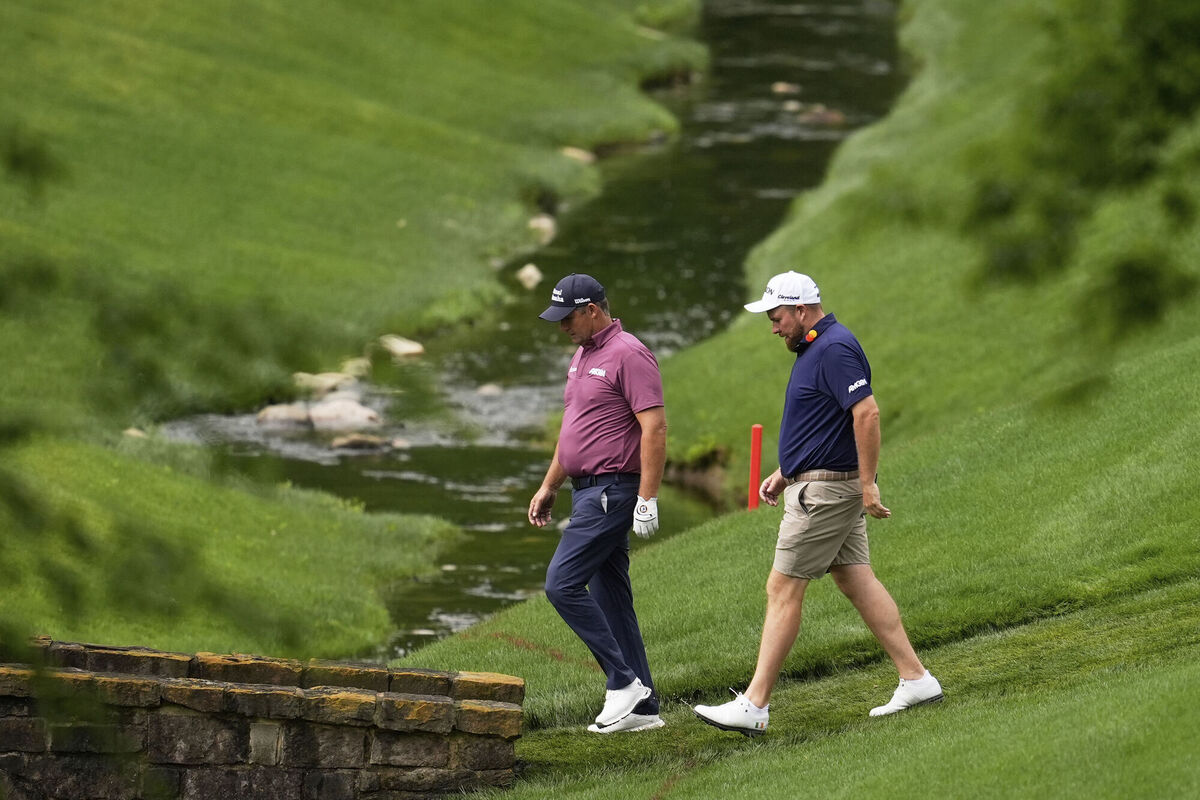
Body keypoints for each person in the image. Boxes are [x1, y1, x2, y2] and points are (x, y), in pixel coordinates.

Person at [693, 270, 942, 737]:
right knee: (855, 579)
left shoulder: (833, 349)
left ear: (802, 309)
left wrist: (868, 484)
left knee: (782, 588)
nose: (773, 327)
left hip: (826, 495)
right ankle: (917, 679)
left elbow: (866, 413)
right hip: (817, 483)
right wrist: (788, 469)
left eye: (777, 316)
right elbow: (824, 422)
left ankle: (755, 705)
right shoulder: (817, 347)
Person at [528, 272, 668, 734]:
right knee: (612, 600)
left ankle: (623, 683)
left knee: (561, 584)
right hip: (584, 488)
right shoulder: (582, 355)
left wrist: (646, 498)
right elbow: (575, 428)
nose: (562, 327)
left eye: (567, 318)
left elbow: (654, 428)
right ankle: (645, 710)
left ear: (592, 310)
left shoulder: (629, 353)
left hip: (612, 492)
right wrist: (550, 484)